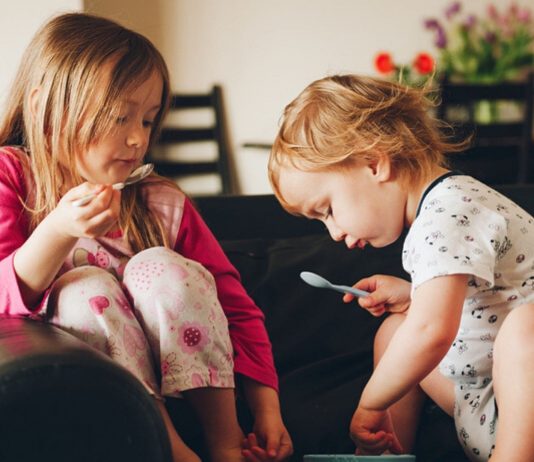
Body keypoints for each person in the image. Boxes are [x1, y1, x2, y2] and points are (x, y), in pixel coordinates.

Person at [0, 13, 292, 462]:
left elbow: (236, 307)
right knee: (85, 287)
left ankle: (226, 443)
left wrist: (267, 411)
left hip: (193, 392)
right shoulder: (11, 178)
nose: (138, 139)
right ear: (43, 108)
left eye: (149, 120)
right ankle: (172, 451)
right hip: (106, 406)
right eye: (120, 117)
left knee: (163, 267)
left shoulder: (161, 201)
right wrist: (58, 229)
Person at [267, 74, 534, 462]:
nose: (334, 232)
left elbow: (432, 331)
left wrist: (371, 402)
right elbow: (485, 303)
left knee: (525, 327)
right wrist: (416, 295)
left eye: (328, 210)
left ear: (375, 164)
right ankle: (385, 454)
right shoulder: (436, 217)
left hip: (520, 404)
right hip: (492, 405)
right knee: (396, 332)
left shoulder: (449, 209)